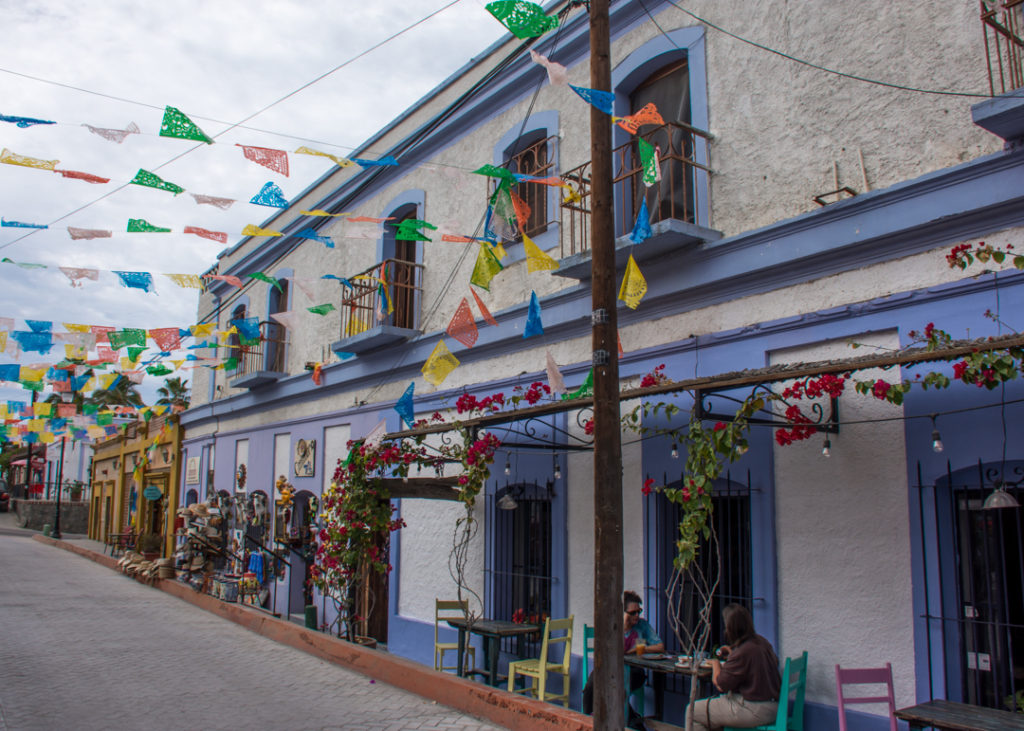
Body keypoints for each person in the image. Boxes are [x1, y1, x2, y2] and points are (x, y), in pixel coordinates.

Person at [686, 603, 781, 731]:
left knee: (692, 711)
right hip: (774, 707)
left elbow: (720, 684)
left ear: (731, 629)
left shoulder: (743, 652)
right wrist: (732, 653)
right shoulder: (761, 642)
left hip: (753, 709)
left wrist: (715, 663)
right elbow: (765, 663)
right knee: (712, 712)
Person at [582, 590, 665, 727]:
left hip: (634, 671)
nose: (637, 615)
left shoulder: (642, 626)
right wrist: (622, 625)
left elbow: (660, 646)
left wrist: (640, 649)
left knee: (615, 688)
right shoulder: (613, 626)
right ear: (622, 612)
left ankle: (633, 723)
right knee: (592, 684)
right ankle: (587, 721)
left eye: (639, 611)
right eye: (632, 613)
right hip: (611, 670)